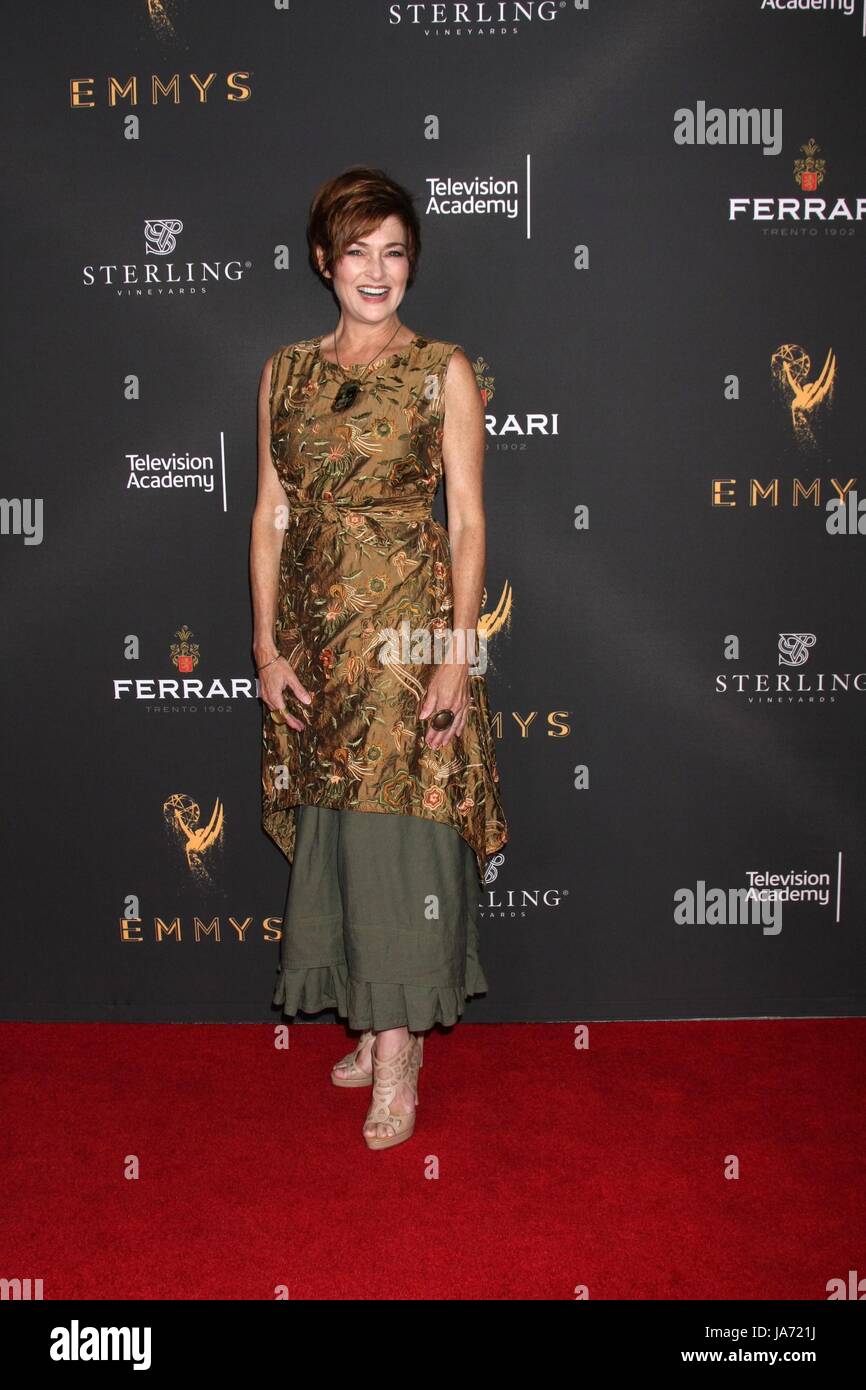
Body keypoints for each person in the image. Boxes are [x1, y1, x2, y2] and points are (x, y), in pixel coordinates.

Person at [250, 165, 507, 1151]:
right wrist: (265, 644)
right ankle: (372, 1014)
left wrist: (453, 655)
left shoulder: (439, 367)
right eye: (355, 250)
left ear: (410, 265)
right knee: (340, 833)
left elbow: (469, 522)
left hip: (405, 637)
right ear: (323, 260)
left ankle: (397, 1055)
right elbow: (270, 514)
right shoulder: (283, 372)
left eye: (393, 251)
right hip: (318, 635)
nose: (375, 269)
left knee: (399, 840)